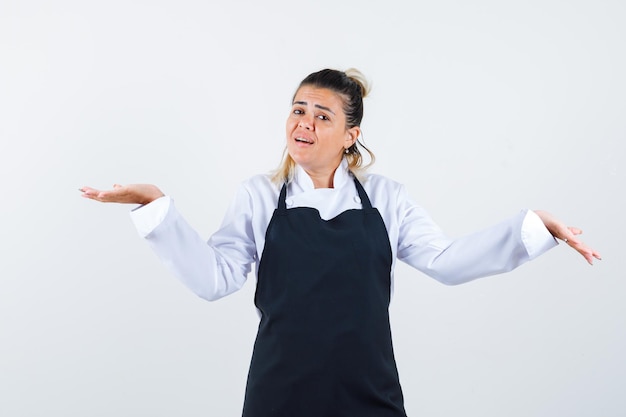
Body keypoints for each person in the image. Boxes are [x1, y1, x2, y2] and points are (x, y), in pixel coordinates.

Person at [80, 68, 601, 417]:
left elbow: (446, 261)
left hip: (368, 393)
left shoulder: (387, 199)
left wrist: (534, 226)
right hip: (279, 393)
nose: (303, 123)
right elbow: (215, 279)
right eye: (298, 109)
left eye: (321, 115)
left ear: (350, 135)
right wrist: (155, 207)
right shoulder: (260, 196)